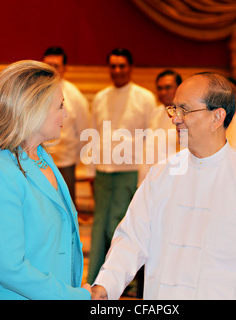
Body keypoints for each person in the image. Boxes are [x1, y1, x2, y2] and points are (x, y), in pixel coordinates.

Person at [91, 72, 236, 300]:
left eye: (184, 110)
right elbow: (131, 238)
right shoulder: (161, 175)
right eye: (174, 109)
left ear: (217, 117)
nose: (175, 118)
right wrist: (106, 285)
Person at [0, 60, 91, 300]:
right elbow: (10, 269)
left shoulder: (42, 158)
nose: (66, 113)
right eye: (60, 106)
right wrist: (76, 297)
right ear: (33, 110)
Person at [86, 48, 156, 284]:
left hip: (131, 171)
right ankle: (97, 278)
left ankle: (126, 281)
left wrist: (145, 175)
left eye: (122, 65)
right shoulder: (100, 97)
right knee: (100, 228)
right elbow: (94, 135)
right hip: (104, 171)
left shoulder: (144, 97)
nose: (117, 70)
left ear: (130, 67)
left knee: (124, 227)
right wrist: (90, 171)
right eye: (113, 66)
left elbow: (151, 138)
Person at [43, 46, 90, 203]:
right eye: (48, 64)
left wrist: (75, 156)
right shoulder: (35, 91)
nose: (51, 69)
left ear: (64, 68)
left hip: (65, 161)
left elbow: (84, 130)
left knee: (66, 204)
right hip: (38, 158)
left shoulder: (74, 95)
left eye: (56, 65)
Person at [139, 69, 183, 183]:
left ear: (179, 88)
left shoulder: (187, 115)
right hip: (151, 178)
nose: (163, 92)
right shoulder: (154, 113)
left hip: (174, 179)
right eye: (159, 88)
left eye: (168, 87)